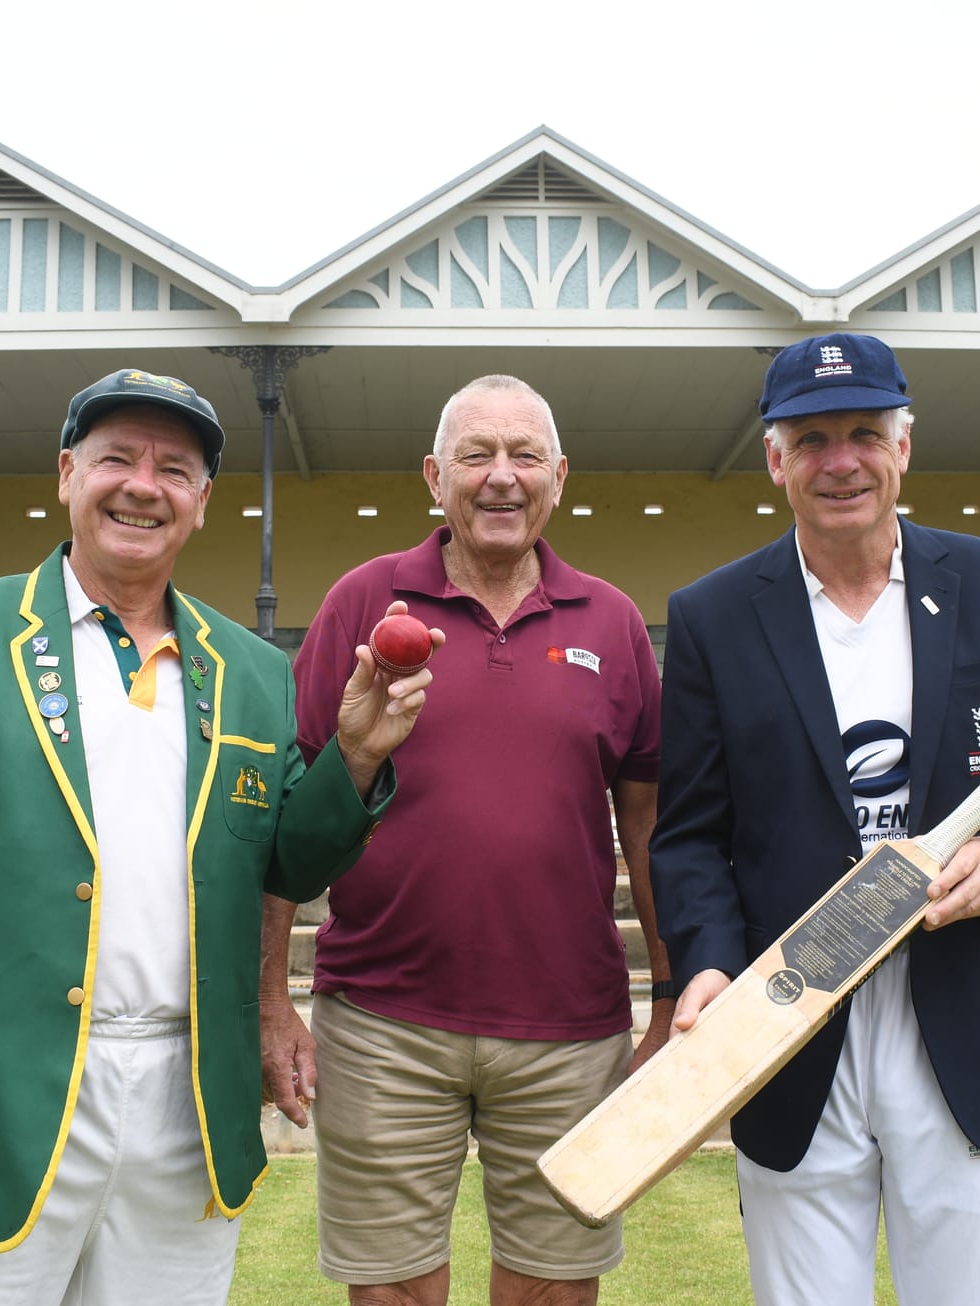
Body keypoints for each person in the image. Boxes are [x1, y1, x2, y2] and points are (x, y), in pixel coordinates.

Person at [0, 367, 435, 1305]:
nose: (144, 487)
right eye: (117, 459)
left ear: (202, 503)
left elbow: (286, 862)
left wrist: (354, 757)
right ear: (68, 474)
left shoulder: (251, 669)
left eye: (174, 470)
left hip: (188, 1108)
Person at [651, 334, 980, 1305]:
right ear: (774, 459)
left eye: (864, 432)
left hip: (956, 1010)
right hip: (790, 1025)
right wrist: (708, 964)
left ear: (903, 445)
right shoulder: (712, 616)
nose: (841, 461)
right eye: (811, 440)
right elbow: (689, 835)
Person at [257, 374, 667, 1306]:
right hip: (383, 1022)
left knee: (556, 1291)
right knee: (390, 1292)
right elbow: (286, 822)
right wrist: (272, 1004)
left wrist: (670, 997)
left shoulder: (612, 621)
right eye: (476, 455)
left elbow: (647, 828)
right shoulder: (364, 603)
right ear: (434, 477)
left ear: (559, 476)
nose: (502, 476)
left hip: (570, 1027)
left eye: (525, 455)